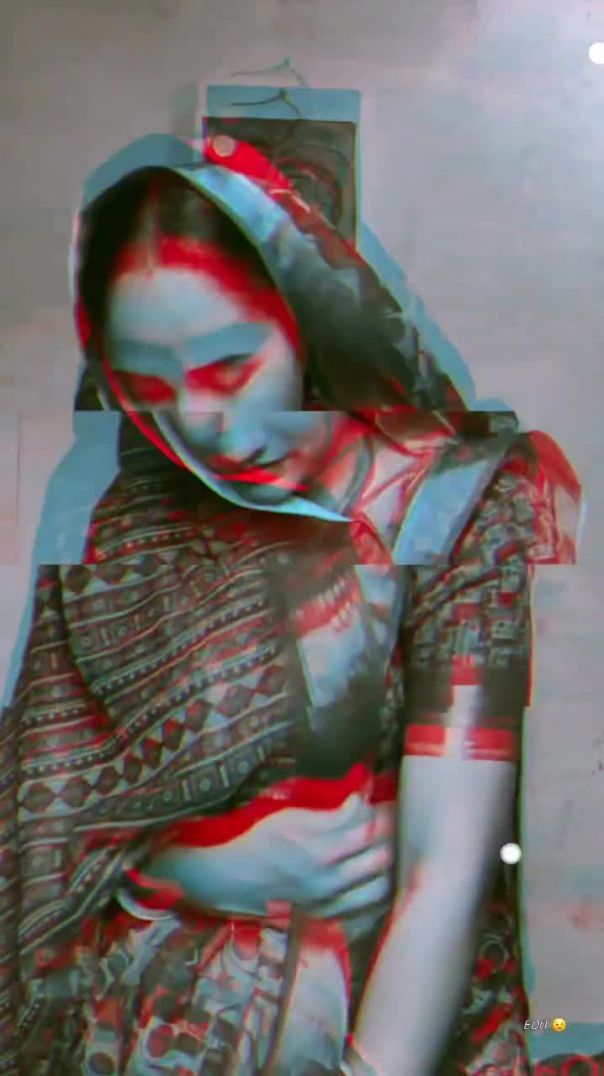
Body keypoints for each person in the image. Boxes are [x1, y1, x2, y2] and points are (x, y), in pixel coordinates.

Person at [0, 134, 581, 1075]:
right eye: (147, 388)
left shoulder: (453, 503)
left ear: (308, 317)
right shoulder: (122, 526)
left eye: (232, 365)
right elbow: (44, 837)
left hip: (398, 1032)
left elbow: (447, 871)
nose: (205, 427)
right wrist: (196, 868)